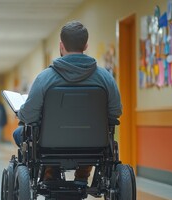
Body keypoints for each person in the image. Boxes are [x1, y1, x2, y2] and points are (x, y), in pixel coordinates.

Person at [13, 20, 122, 183]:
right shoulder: (105, 78)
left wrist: (20, 112)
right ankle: (83, 174)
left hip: (50, 143)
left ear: (61, 46)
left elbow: (29, 115)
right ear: (86, 46)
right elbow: (115, 112)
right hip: (93, 143)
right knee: (94, 138)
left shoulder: (45, 78)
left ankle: (51, 172)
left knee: (19, 133)